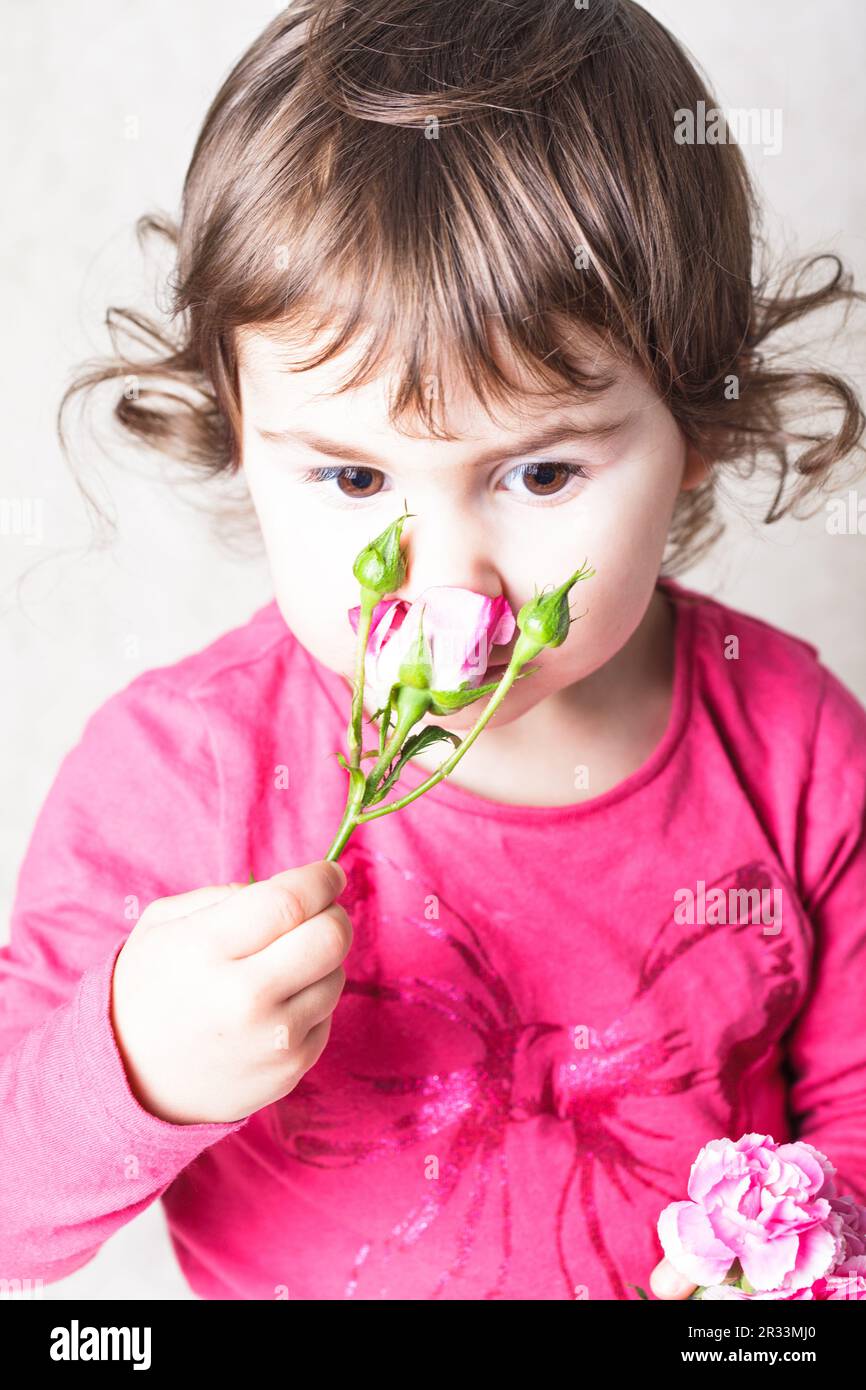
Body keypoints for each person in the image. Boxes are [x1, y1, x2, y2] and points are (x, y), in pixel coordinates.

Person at [2, 0, 865, 1301]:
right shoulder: (182, 776)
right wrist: (130, 1056)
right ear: (240, 431)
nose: (444, 574)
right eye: (354, 478)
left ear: (694, 424)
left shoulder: (794, 745)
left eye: (538, 470)